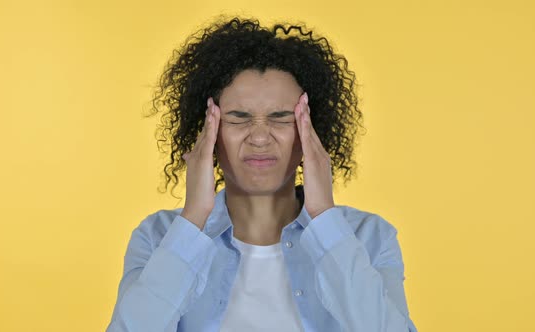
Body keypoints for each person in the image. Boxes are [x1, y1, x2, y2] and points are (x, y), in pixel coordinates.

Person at [107, 17, 417, 332]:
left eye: (281, 118)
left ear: (312, 132)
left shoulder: (370, 238)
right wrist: (194, 218)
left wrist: (324, 216)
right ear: (208, 133)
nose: (259, 137)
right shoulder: (158, 236)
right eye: (238, 118)